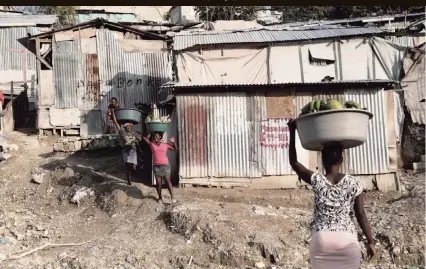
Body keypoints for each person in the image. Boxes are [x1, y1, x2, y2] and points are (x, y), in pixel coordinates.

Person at [287, 120, 376, 269]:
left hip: (321, 240)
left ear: (323, 160)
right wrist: (371, 241)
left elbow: (294, 161)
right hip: (346, 240)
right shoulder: (354, 183)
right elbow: (360, 213)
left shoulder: (316, 179)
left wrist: (292, 132)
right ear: (341, 160)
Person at [142, 132, 177, 204]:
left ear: (160, 138)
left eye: (157, 136)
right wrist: (148, 136)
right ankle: (160, 198)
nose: (155, 137)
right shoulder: (152, 144)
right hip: (156, 166)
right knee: (158, 183)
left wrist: (174, 142)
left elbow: (175, 149)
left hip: (165, 166)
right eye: (154, 136)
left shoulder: (165, 145)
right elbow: (144, 139)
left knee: (168, 181)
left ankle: (172, 198)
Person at [111, 110, 141, 186]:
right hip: (125, 151)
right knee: (128, 166)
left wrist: (138, 138)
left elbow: (140, 139)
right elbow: (115, 122)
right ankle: (128, 179)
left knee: (134, 168)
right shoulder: (122, 132)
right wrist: (113, 112)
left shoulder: (134, 133)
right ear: (125, 128)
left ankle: (130, 174)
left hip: (133, 151)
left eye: (129, 126)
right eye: (127, 126)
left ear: (132, 127)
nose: (128, 127)